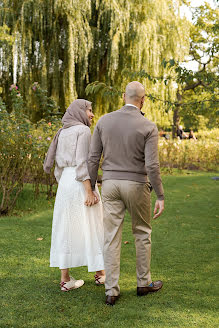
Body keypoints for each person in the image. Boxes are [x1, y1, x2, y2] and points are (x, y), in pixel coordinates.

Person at [88, 81, 165, 306]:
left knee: (111, 237)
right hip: (137, 185)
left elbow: (93, 158)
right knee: (142, 232)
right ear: (143, 100)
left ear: (123, 96)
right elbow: (152, 166)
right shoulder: (148, 126)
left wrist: (92, 186)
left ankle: (111, 291)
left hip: (110, 184)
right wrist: (160, 195)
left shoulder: (104, 121)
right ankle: (143, 283)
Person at [43, 99, 105, 292]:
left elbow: (58, 167)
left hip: (65, 184)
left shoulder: (62, 132)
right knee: (93, 224)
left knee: (65, 228)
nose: (92, 114)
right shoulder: (83, 131)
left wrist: (64, 184)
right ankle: (100, 273)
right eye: (89, 110)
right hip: (80, 182)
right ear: (80, 111)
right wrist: (89, 191)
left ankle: (65, 279)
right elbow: (82, 163)